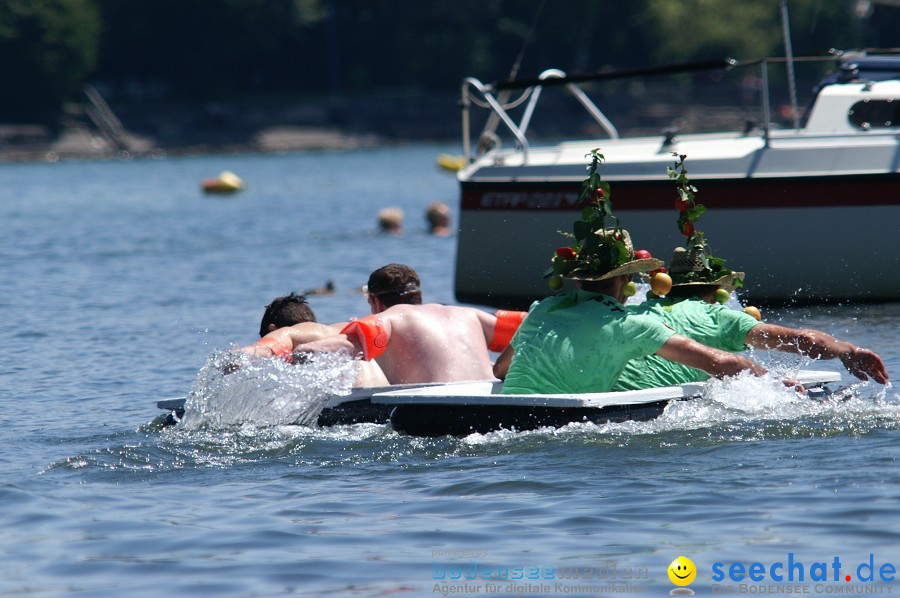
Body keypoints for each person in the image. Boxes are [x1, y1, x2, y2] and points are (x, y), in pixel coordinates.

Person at [493, 148, 776, 394]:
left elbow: (499, 371)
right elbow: (723, 363)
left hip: (511, 418)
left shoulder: (542, 310)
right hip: (563, 429)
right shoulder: (630, 325)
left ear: (578, 281)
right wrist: (776, 384)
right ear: (626, 279)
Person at [612, 246, 889, 390]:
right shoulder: (719, 317)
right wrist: (849, 351)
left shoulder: (638, 312)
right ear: (718, 290)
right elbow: (805, 341)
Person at [292, 263, 526, 385]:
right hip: (489, 399)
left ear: (374, 300)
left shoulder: (389, 319)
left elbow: (333, 349)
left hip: (437, 411)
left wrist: (295, 353)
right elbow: (529, 332)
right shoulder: (468, 314)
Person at [238, 292, 389, 387]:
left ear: (272, 329)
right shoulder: (342, 329)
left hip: (353, 409)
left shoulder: (288, 333)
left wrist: (238, 357)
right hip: (385, 399)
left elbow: (267, 348)